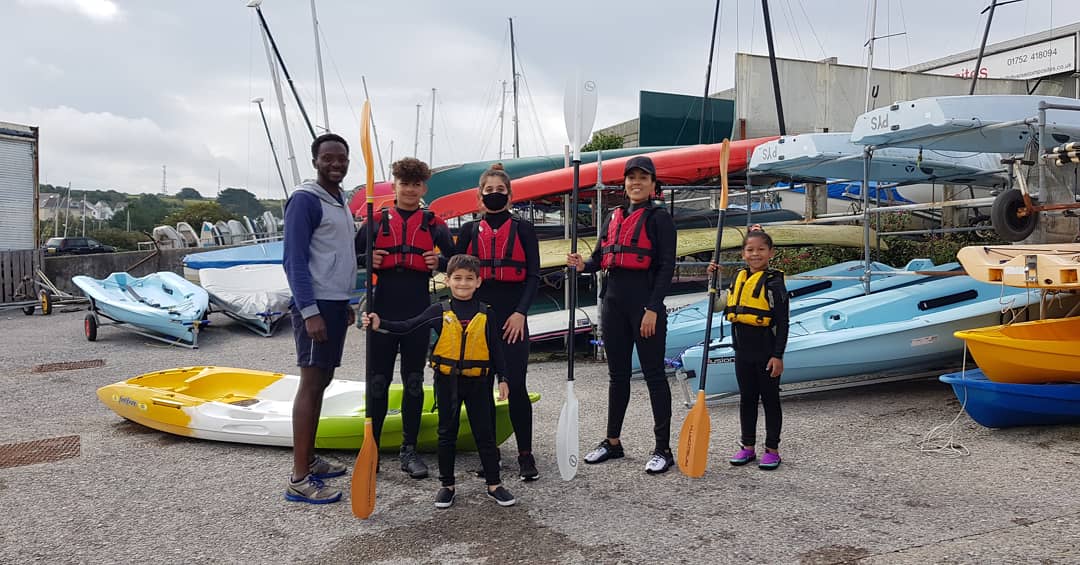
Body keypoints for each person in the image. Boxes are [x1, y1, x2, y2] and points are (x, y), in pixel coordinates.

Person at [363, 254, 517, 508]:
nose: (463, 283)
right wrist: (380, 323)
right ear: (448, 280)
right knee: (446, 435)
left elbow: (496, 349)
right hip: (447, 383)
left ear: (478, 282)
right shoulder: (438, 311)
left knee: (485, 434)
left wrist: (504, 378)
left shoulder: (487, 313)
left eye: (469, 279)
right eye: (458, 278)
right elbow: (408, 326)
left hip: (479, 383)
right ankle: (447, 485)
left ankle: (494, 484)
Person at [566, 155, 678, 475]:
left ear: (653, 184)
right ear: (625, 183)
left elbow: (666, 267)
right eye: (631, 177)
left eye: (643, 177)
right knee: (618, 376)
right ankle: (613, 442)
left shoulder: (660, 218)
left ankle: (663, 449)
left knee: (654, 376)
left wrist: (653, 308)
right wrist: (582, 265)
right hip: (613, 304)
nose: (636, 182)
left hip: (644, 306)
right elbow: (599, 258)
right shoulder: (613, 216)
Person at [355, 157, 454, 479]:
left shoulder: (434, 224)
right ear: (394, 186)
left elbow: (456, 261)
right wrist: (367, 258)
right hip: (382, 308)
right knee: (378, 383)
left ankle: (408, 450)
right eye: (404, 183)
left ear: (423, 188)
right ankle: (371, 448)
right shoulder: (375, 221)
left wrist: (439, 262)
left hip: (417, 311)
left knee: (413, 382)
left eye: (416, 184)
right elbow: (351, 256)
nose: (410, 190)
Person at [282, 132, 357, 504]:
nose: (336, 163)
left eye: (341, 158)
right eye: (328, 158)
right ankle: (299, 478)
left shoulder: (340, 200)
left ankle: (310, 459)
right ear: (315, 161)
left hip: (334, 302)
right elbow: (293, 260)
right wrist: (310, 311)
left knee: (323, 380)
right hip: (315, 305)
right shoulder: (305, 200)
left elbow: (338, 252)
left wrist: (344, 302)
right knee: (311, 383)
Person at [454, 164, 540, 481]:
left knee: (515, 385)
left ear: (509, 195)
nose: (494, 194)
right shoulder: (468, 231)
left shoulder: (524, 229)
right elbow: (455, 270)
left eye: (499, 190)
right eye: (488, 190)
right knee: (482, 389)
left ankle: (525, 454)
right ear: (480, 196)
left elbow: (533, 275)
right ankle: (490, 455)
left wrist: (521, 313)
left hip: (512, 319)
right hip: (479, 320)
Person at [711, 227, 789, 470]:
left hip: (766, 352)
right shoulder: (739, 278)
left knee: (770, 400)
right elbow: (716, 306)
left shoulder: (774, 283)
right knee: (747, 399)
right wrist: (713, 280)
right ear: (743, 254)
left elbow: (783, 323)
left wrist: (778, 355)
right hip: (742, 352)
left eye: (761, 249)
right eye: (750, 250)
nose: (755, 254)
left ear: (771, 253)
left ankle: (772, 450)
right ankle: (747, 447)